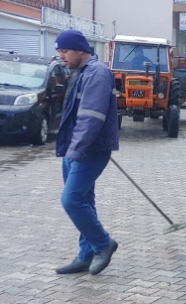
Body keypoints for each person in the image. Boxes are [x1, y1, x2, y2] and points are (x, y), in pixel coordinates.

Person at [53, 30, 119, 275]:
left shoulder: (97, 74)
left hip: (88, 151)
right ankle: (86, 254)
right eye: (59, 51)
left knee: (71, 200)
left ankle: (103, 244)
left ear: (80, 50)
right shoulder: (80, 73)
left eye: (65, 51)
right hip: (76, 149)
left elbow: (91, 118)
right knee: (84, 202)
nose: (61, 56)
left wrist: (75, 151)